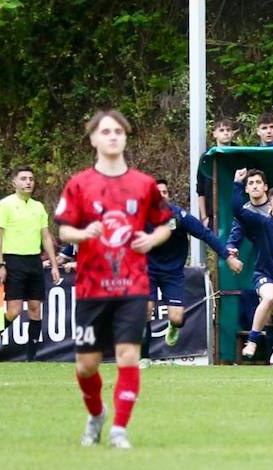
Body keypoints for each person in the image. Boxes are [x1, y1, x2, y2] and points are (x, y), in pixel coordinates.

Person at [55, 109, 174, 449]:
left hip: (132, 285)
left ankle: (120, 429)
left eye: (118, 131)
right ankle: (96, 414)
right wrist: (81, 234)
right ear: (93, 138)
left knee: (127, 357)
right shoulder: (79, 184)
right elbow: (63, 228)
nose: (112, 136)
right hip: (91, 288)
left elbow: (167, 223)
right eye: (105, 131)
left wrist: (152, 239)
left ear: (125, 137)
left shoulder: (144, 184)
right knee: (86, 366)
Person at [144, 178, 242, 356]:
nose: (161, 196)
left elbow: (205, 234)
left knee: (177, 317)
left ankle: (174, 326)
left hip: (172, 273)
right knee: (145, 311)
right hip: (146, 270)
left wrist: (227, 257)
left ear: (169, 196)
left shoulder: (179, 217)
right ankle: (143, 358)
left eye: (164, 193)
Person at [228, 168, 273, 363]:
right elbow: (237, 210)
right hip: (265, 274)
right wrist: (237, 183)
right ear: (270, 204)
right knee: (270, 297)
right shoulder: (262, 222)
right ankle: (252, 341)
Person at [0, 165, 59, 361]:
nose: (28, 182)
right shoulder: (5, 204)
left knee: (35, 309)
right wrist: (0, 264)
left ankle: (31, 357)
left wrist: (54, 265)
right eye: (23, 178)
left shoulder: (38, 206)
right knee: (13, 311)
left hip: (34, 261)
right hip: (13, 261)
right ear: (14, 182)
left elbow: (46, 236)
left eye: (30, 178)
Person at [195, 116, 236, 228]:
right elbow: (200, 190)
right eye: (222, 130)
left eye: (228, 130)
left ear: (232, 133)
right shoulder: (207, 158)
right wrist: (204, 217)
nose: (226, 133)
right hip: (213, 216)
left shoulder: (240, 154)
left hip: (236, 215)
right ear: (214, 134)